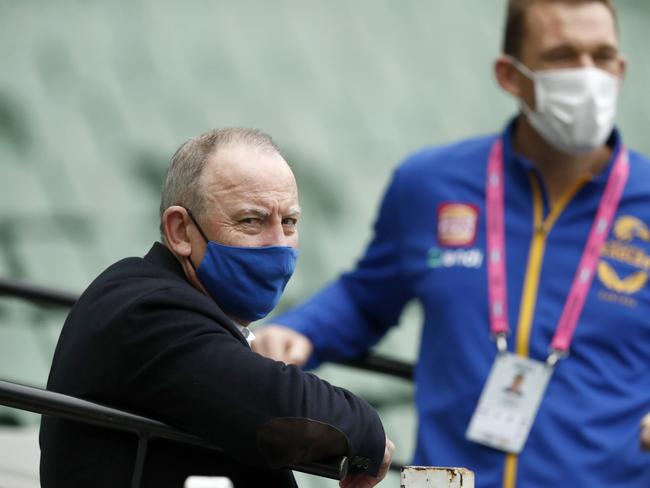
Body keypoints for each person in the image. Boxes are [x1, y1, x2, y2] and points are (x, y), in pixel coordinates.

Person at [253, 1, 650, 486]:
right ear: (510, 75)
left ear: (622, 68)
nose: (588, 76)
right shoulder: (431, 184)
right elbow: (366, 297)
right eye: (564, 56)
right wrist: (303, 331)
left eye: (603, 56)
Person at [39, 128, 393, 488]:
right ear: (180, 231)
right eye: (251, 221)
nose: (278, 245)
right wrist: (368, 433)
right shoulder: (146, 310)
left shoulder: (166, 302)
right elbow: (280, 413)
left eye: (288, 222)